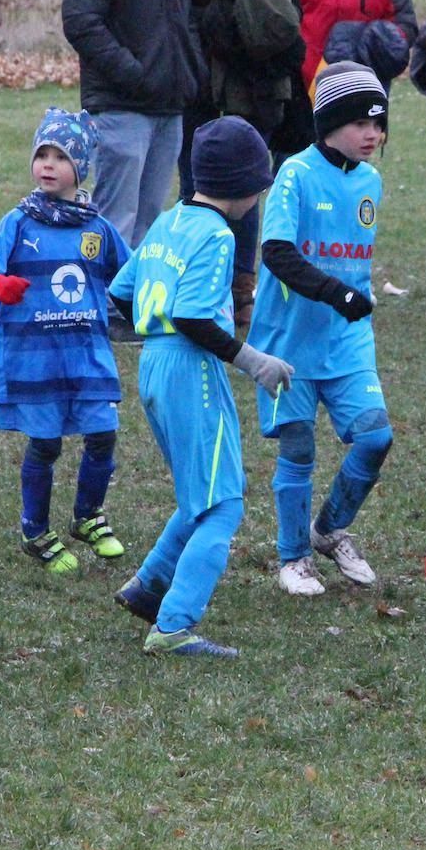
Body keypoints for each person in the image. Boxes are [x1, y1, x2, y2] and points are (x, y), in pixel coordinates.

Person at [107, 117, 292, 659]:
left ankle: (147, 586)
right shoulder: (217, 235)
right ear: (245, 188)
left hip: (153, 369)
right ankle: (173, 627)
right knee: (223, 505)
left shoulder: (168, 220)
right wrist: (254, 362)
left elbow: (122, 289)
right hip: (193, 372)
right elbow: (192, 316)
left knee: (198, 493)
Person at [0, 108, 130, 572]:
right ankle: (34, 530)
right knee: (47, 445)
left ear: (81, 167)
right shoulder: (18, 221)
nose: (48, 165)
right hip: (36, 360)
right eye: (42, 155)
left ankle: (88, 516)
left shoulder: (97, 229)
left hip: (88, 356)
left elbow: (131, 275)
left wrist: (150, 306)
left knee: (103, 434)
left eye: (60, 156)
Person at [249, 62, 390, 597]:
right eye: (360, 123)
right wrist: (338, 292)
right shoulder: (296, 174)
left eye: (378, 123)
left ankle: (329, 529)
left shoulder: (370, 180)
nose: (372, 134)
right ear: (328, 122)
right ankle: (293, 558)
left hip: (348, 336)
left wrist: (351, 296)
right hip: (288, 341)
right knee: (299, 445)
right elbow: (277, 253)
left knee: (375, 438)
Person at [172, 0, 303, 337]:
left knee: (247, 194)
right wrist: (203, 55)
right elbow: (179, 17)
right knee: (195, 191)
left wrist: (257, 52)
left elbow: (291, 23)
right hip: (201, 89)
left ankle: (239, 297)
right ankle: (194, 289)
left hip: (257, 89)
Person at [62, 0, 207, 259]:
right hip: (121, 105)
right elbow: (81, 24)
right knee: (115, 216)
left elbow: (185, 21)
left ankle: (132, 300)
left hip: (167, 105)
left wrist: (190, 74)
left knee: (150, 218)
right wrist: (133, 73)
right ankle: (102, 305)